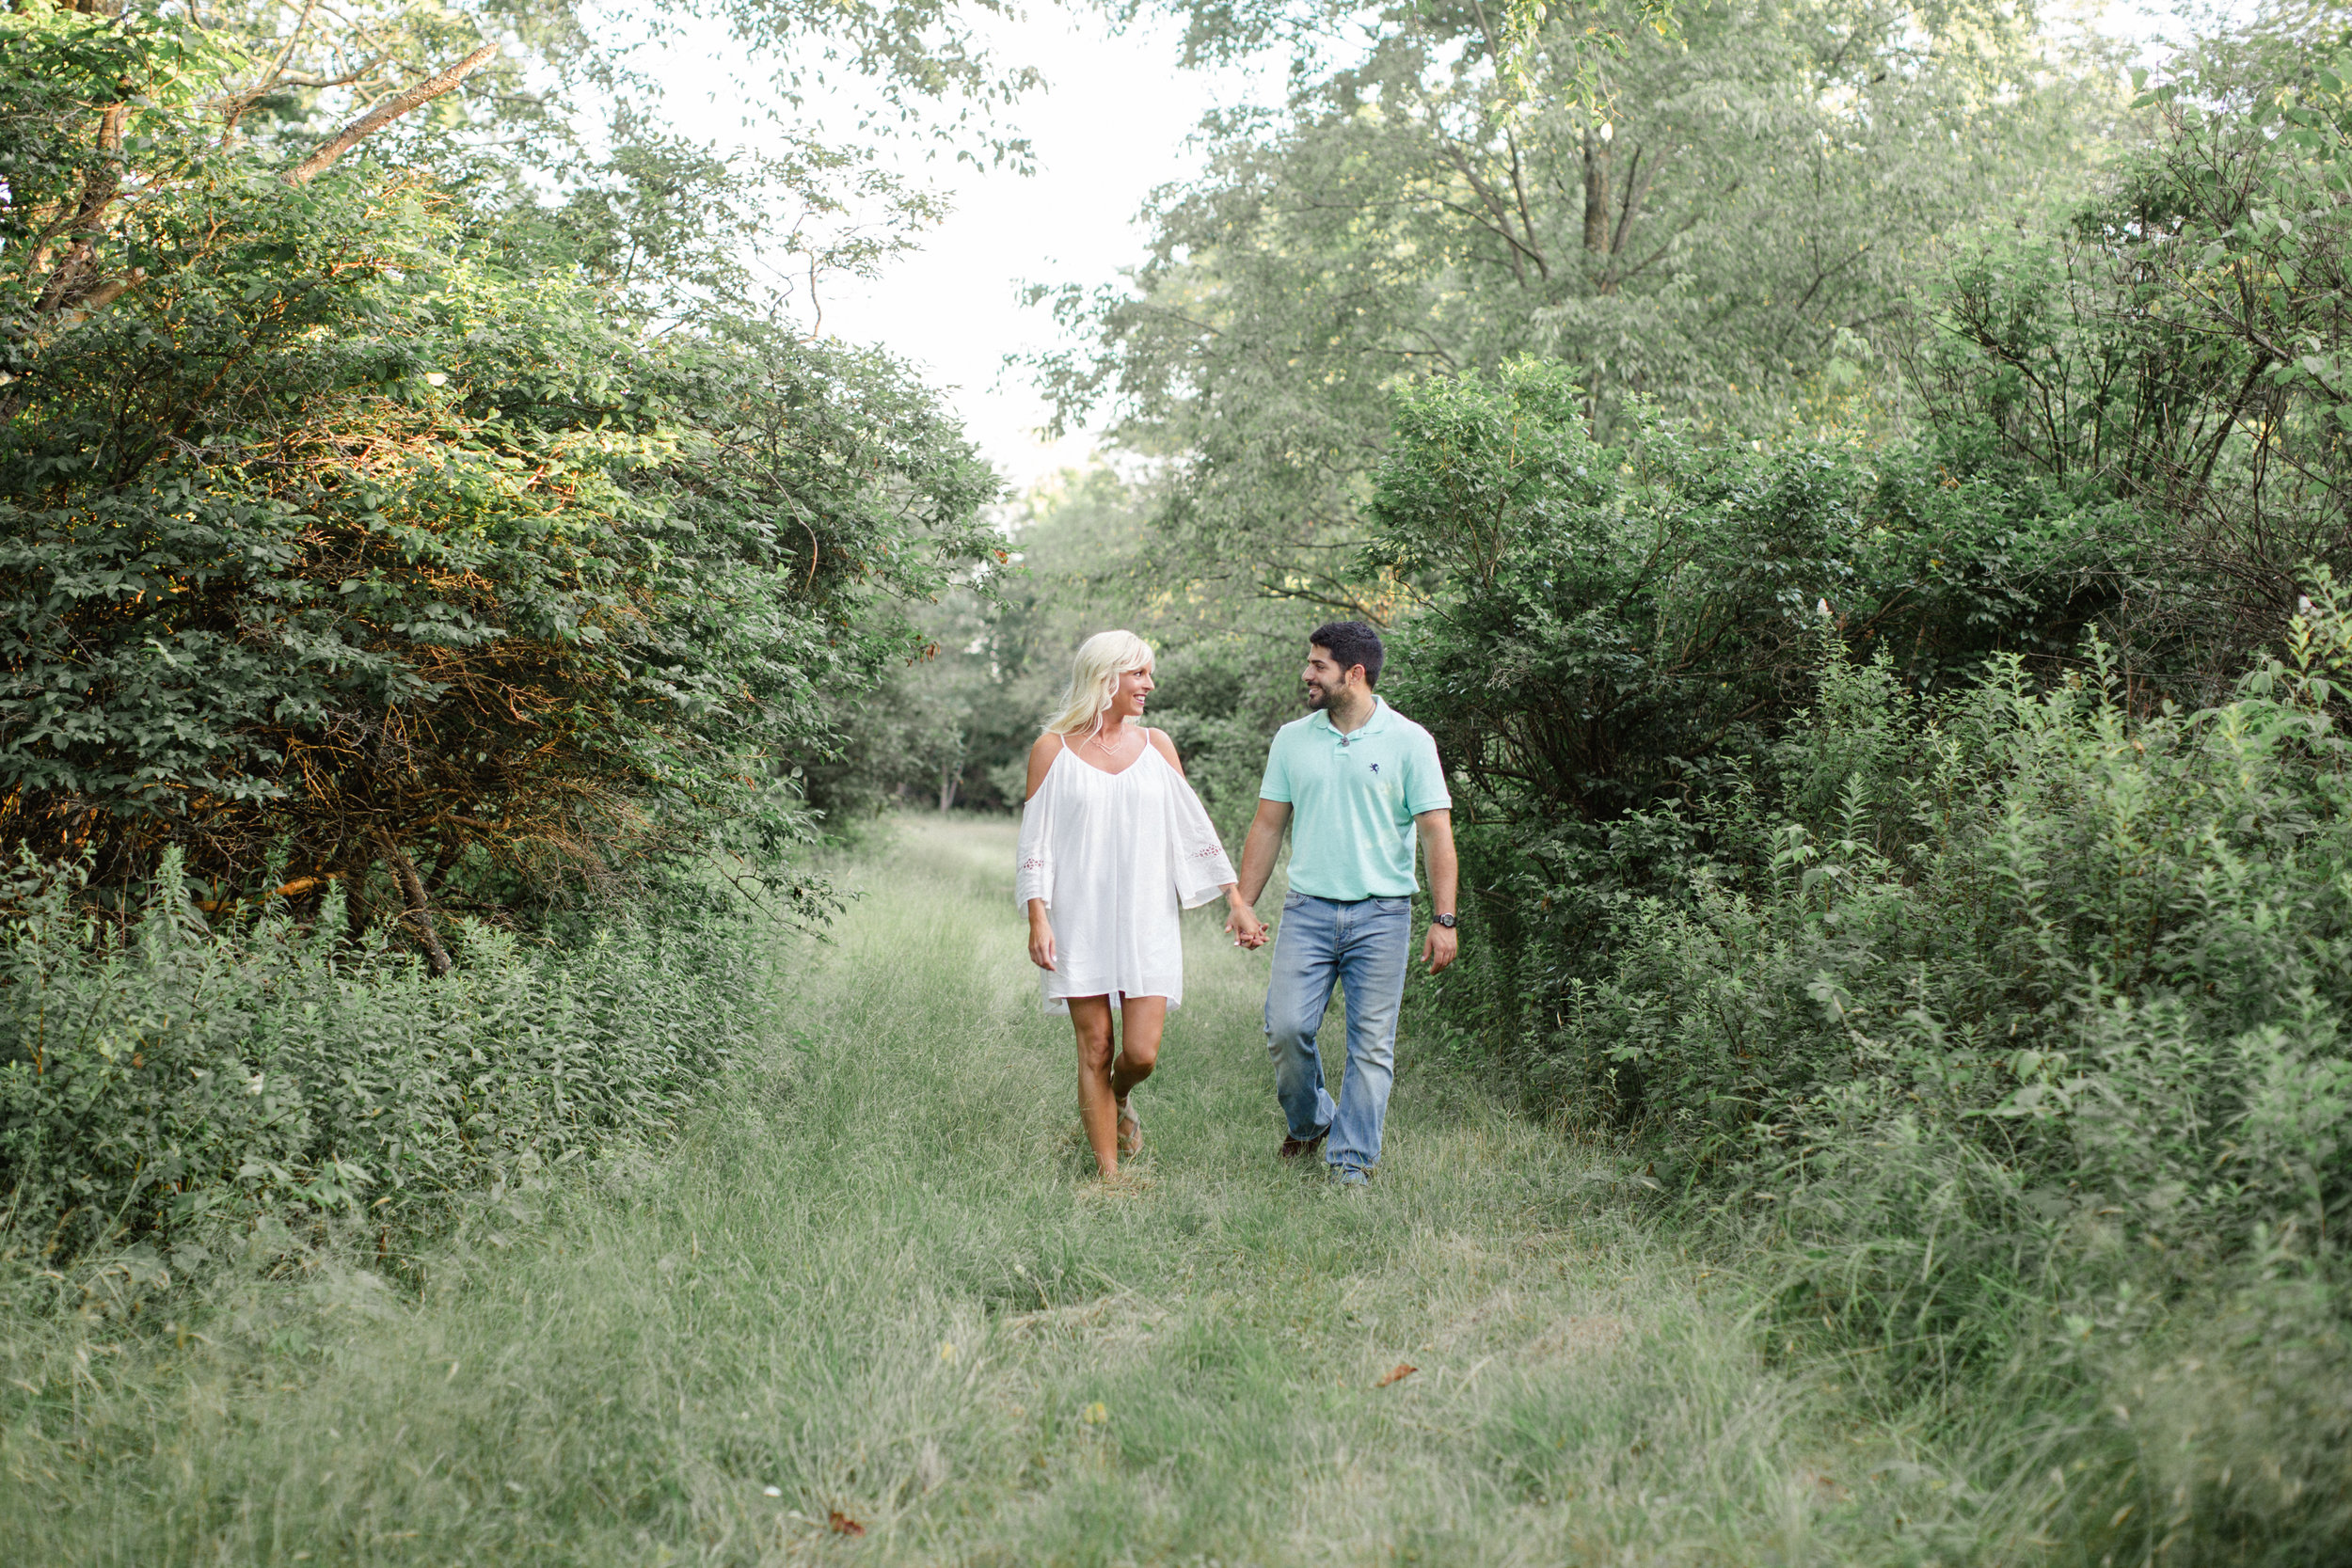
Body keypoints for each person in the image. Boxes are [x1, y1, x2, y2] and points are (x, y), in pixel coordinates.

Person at [1017, 630, 1268, 1180]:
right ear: (1106, 677)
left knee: (1141, 1054)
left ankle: (1120, 1098)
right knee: (1095, 1046)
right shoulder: (1052, 750)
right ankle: (1109, 1176)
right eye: (1140, 674)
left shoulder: (1156, 745)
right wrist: (1038, 914)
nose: (1149, 685)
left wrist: (1235, 900)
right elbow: (1035, 841)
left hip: (1147, 915)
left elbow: (1193, 827)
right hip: (1077, 916)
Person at [1227, 622, 1458, 1186]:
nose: (1307, 674)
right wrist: (1244, 902)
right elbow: (1267, 825)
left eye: (1318, 665)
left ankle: (1351, 1162)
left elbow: (1436, 833)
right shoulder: (1292, 738)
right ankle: (1310, 1124)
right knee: (1284, 1029)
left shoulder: (1410, 741)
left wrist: (1443, 918)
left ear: (1354, 674)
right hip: (1307, 911)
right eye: (1309, 663)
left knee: (1371, 1046)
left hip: (1382, 915)